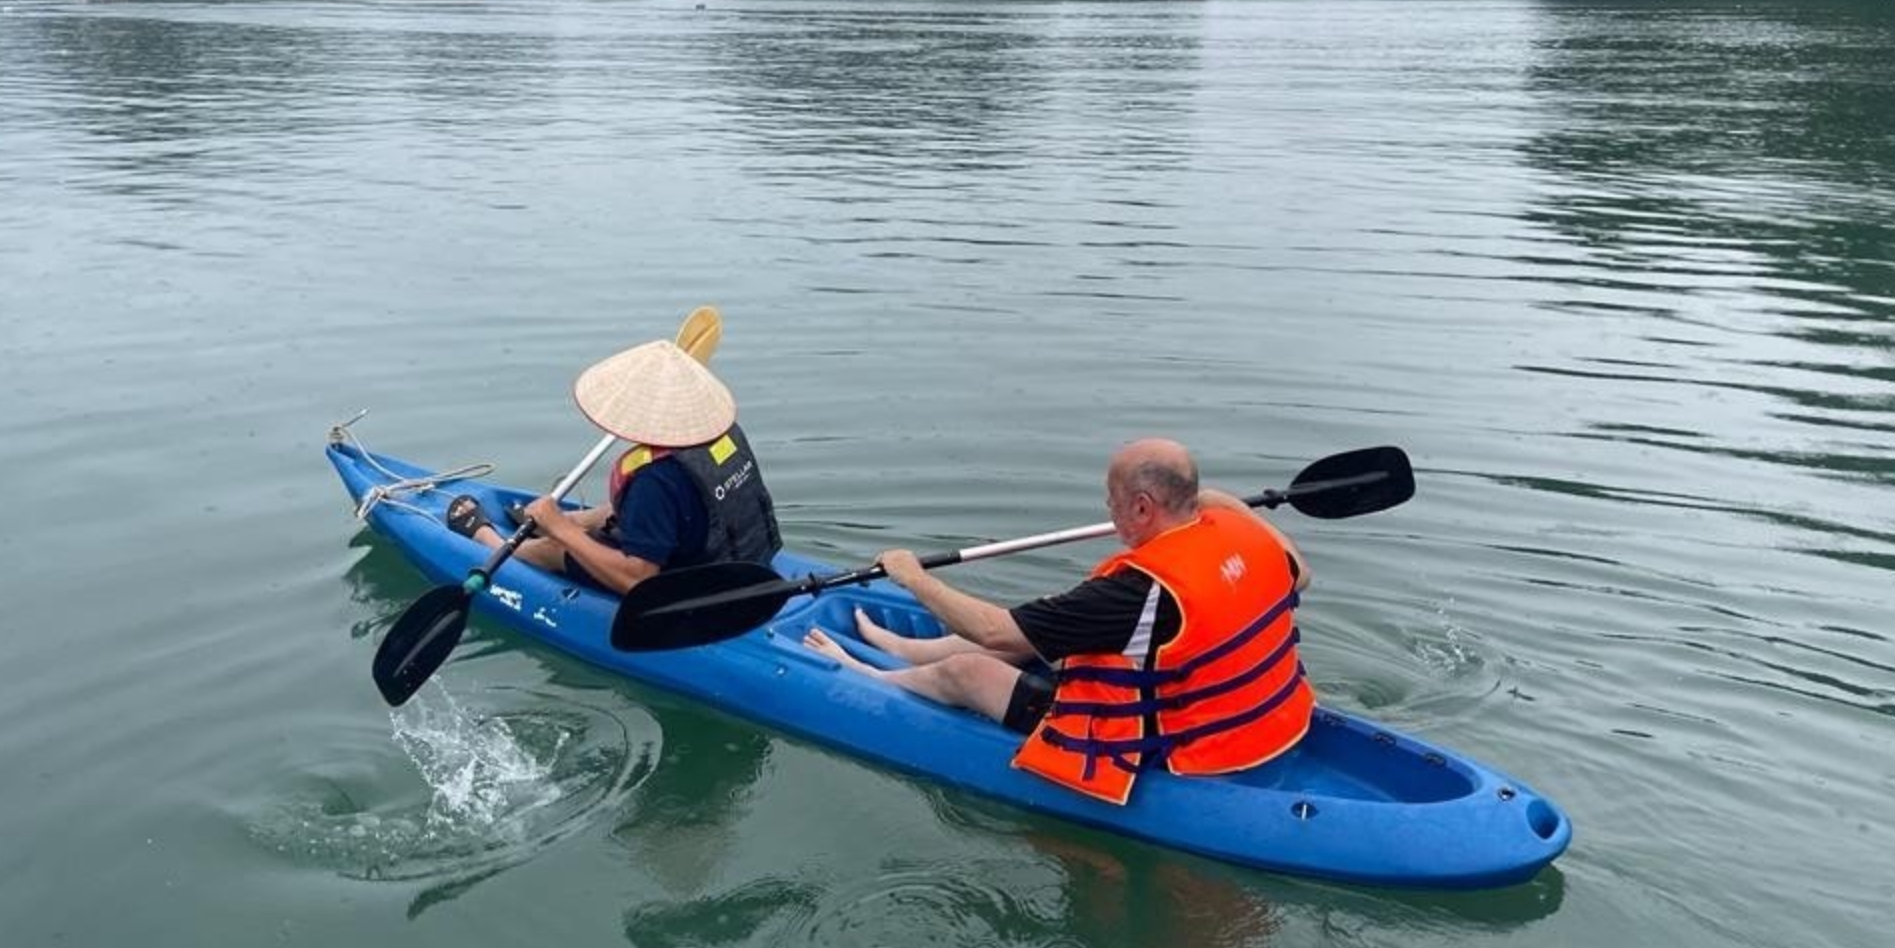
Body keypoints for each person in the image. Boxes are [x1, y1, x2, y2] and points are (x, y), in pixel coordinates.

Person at [804, 438, 1314, 805]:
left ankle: (863, 672)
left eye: (1112, 500)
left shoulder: (1135, 591)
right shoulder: (1249, 538)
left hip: (1172, 747)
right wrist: (1220, 504)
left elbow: (994, 631)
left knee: (970, 670)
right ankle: (901, 647)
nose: (1108, 511)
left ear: (1143, 506)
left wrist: (913, 578)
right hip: (1267, 722)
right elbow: (1302, 575)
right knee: (1053, 625)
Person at [446, 338, 781, 595]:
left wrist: (560, 530)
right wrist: (572, 520)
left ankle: (490, 541)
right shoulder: (723, 434)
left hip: (693, 589)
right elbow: (686, 505)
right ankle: (566, 522)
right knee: (606, 515)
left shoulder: (655, 478)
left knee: (556, 547)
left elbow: (637, 580)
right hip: (745, 563)